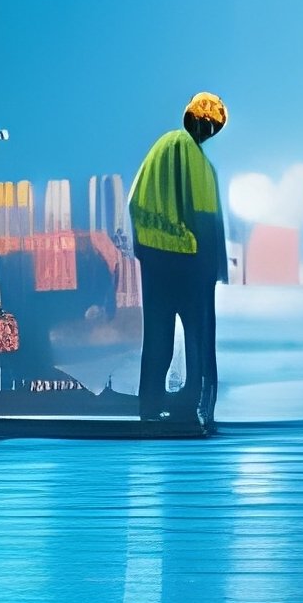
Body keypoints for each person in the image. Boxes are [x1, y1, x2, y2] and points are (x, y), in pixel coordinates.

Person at [128, 92, 229, 430]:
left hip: (155, 260)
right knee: (199, 338)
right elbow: (205, 218)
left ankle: (150, 406)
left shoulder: (161, 148)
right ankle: (193, 406)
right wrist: (210, 267)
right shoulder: (194, 156)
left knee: (157, 336)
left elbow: (136, 202)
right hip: (190, 264)